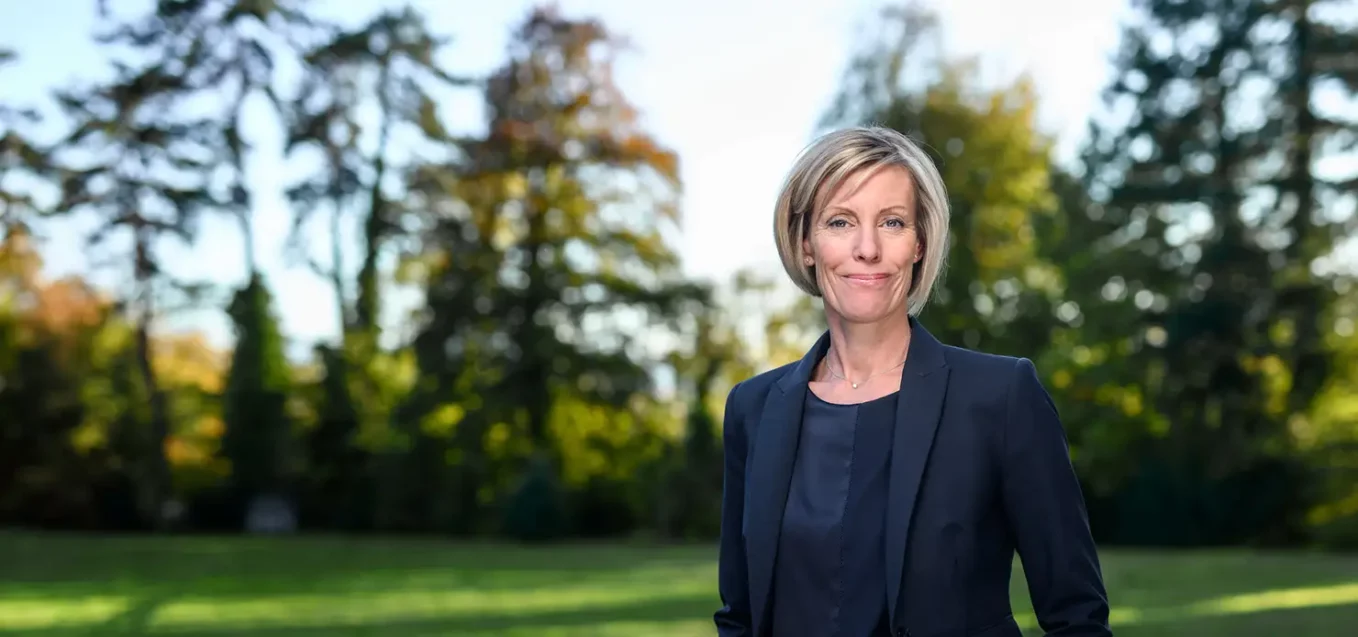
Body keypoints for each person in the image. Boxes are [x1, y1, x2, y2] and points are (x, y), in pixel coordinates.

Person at [712, 126, 1111, 637]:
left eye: (892, 222)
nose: (867, 249)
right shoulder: (753, 408)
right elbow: (739, 617)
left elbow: (1077, 618)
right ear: (805, 243)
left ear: (920, 243)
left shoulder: (1000, 397)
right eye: (840, 222)